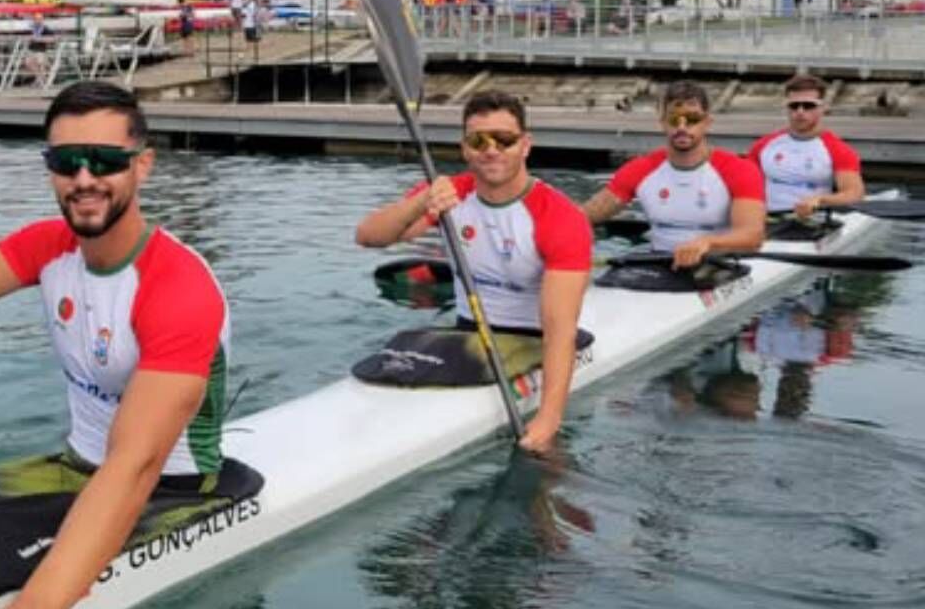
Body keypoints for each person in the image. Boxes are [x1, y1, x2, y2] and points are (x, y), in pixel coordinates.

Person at [0, 81, 235, 608]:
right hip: (75, 466)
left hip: (167, 487)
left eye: (104, 161)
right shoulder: (49, 246)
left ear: (141, 165)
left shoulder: (177, 287)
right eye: (66, 161)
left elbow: (134, 466)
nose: (84, 179)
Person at [355, 91, 593, 454]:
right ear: (465, 148)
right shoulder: (450, 194)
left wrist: (547, 421)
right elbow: (368, 237)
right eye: (478, 140)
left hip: (531, 338)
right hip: (467, 333)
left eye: (505, 140)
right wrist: (421, 202)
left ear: (525, 145)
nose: (491, 149)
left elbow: (560, 333)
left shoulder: (559, 217)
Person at [580, 80, 766, 269]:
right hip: (659, 262)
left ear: (707, 123)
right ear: (662, 123)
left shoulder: (738, 170)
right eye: (674, 119)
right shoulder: (640, 169)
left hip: (719, 263)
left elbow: (752, 237)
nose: (682, 128)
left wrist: (708, 242)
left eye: (692, 119)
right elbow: (585, 216)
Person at [746, 74, 864, 219]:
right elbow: (743, 184)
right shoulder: (764, 145)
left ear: (823, 108)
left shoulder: (839, 150)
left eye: (808, 105)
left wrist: (821, 200)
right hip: (767, 219)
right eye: (794, 106)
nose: (800, 111)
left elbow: (854, 194)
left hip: (813, 221)